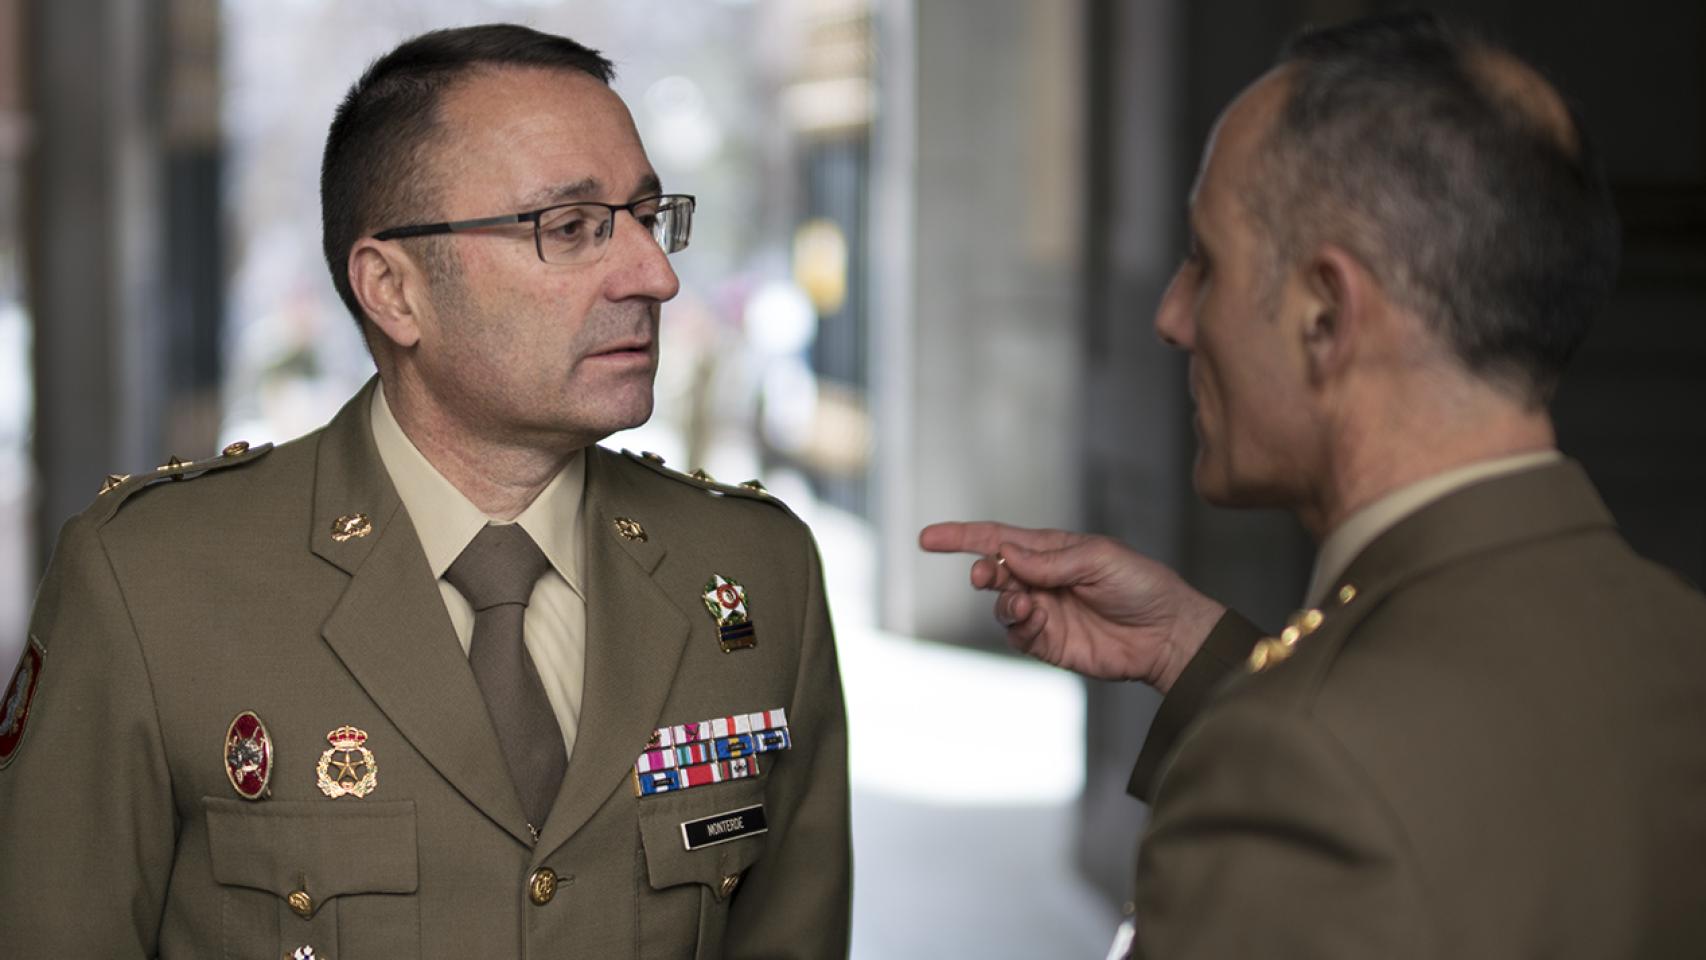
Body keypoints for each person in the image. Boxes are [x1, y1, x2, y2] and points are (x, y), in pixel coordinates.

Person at [0, 24, 849, 959]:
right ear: (394, 291)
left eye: (649, 217)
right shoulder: (150, 584)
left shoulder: (759, 574)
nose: (655, 274)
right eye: (569, 229)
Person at [924, 12, 1706, 958]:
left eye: (1205, 261)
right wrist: (1193, 652)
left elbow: (1360, 780)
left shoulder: (1292, 779)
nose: (1172, 317)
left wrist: (1268, 737)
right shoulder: (1674, 637)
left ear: (1327, 316)